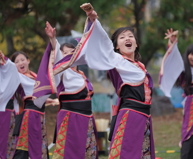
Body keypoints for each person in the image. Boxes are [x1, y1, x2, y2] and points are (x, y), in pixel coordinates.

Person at [52, 3, 155, 158]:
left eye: (130, 36)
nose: (127, 38)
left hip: (144, 117)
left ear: (136, 43)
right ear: (117, 47)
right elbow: (104, 44)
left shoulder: (140, 66)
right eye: (122, 37)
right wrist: (93, 18)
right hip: (131, 116)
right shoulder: (116, 60)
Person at [33, 21, 98, 158]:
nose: (69, 55)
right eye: (65, 53)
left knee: (87, 152)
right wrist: (52, 38)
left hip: (86, 117)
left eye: (72, 53)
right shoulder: (63, 73)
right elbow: (56, 56)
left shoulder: (81, 75)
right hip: (71, 117)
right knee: (69, 151)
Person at [0, 50, 57, 159]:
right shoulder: (17, 77)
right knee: (25, 148)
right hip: (30, 115)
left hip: (39, 114)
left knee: (39, 147)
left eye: (22, 60)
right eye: (17, 62)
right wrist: (4, 58)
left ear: (28, 61)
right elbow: (8, 68)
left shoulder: (35, 76)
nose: (21, 63)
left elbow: (36, 94)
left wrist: (50, 100)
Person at [161, 29, 193, 159]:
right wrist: (172, 42)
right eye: (191, 54)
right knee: (189, 132)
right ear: (187, 55)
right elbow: (172, 59)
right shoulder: (182, 69)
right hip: (191, 104)